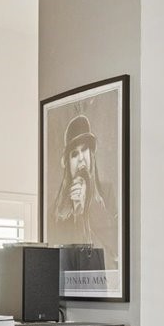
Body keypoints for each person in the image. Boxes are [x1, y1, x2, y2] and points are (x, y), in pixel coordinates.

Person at [50, 114, 117, 268]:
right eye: (74, 154)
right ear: (68, 164)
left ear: (91, 154)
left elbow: (116, 247)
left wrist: (89, 203)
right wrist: (76, 213)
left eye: (84, 149)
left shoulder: (107, 192)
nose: (81, 158)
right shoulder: (56, 210)